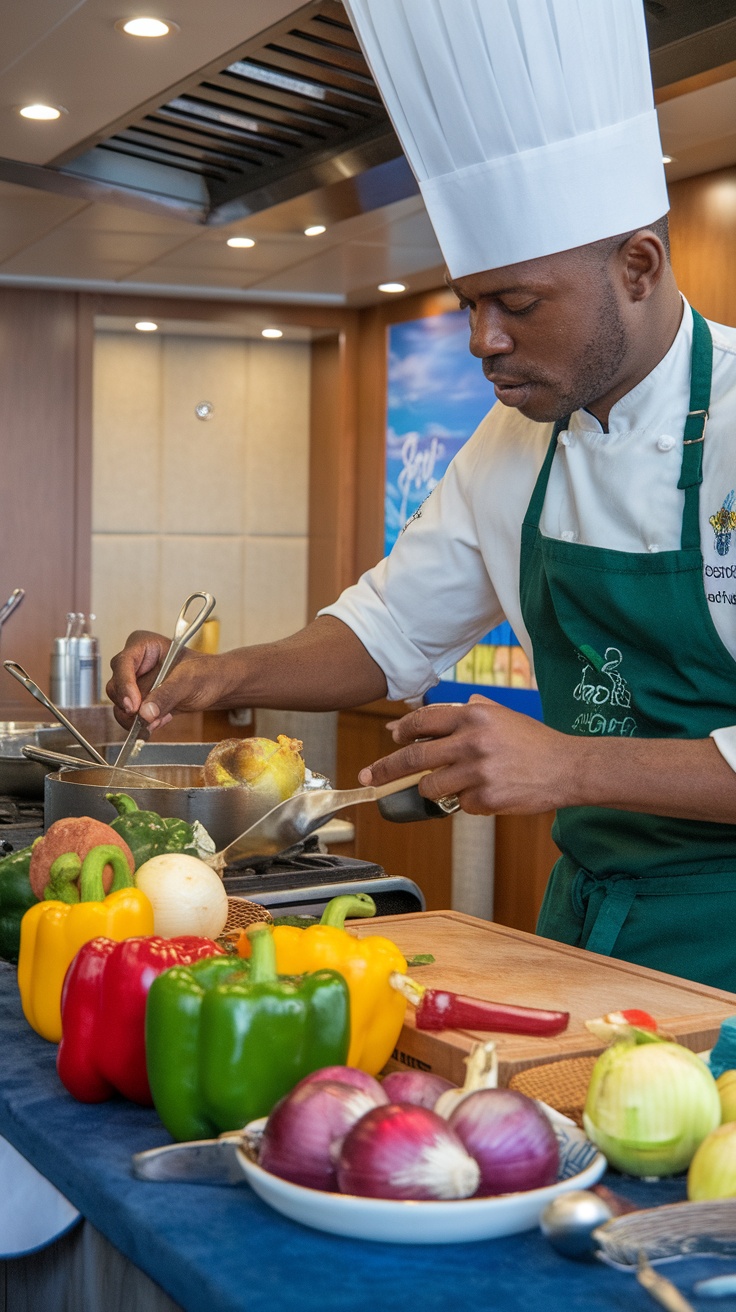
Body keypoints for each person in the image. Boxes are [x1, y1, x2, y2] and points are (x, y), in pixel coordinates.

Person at [108, 0, 736, 991]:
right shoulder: (512, 439)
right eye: (469, 304)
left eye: (516, 304)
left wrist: (568, 766)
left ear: (637, 266)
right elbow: (392, 627)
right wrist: (222, 680)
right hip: (586, 919)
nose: (482, 338)